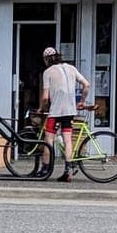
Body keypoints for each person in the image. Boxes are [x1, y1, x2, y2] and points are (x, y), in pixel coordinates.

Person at [36, 46, 90, 181]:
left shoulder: (48, 72)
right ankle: (68, 171)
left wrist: (41, 109)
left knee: (48, 139)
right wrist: (82, 101)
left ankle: (45, 169)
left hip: (56, 111)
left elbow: (45, 97)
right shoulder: (71, 68)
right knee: (67, 140)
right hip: (70, 110)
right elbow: (86, 84)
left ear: (46, 59)